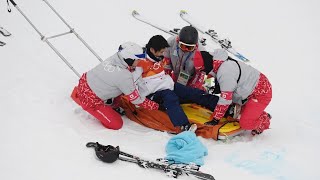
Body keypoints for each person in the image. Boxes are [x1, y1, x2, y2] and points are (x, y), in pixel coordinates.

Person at [135, 35, 220, 131]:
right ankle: (183, 125)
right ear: (152, 50)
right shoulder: (139, 63)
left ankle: (221, 105)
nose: (163, 54)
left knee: (192, 92)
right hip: (153, 94)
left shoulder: (158, 58)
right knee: (170, 97)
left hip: (168, 85)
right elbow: (132, 86)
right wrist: (143, 102)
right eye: (161, 52)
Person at [73, 42, 159, 130]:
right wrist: (153, 105)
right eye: (138, 59)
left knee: (122, 88)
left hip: (85, 81)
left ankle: (110, 104)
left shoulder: (116, 57)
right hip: (90, 100)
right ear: (130, 59)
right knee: (116, 124)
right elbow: (136, 100)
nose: (140, 61)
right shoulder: (124, 76)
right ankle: (95, 107)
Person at [204, 51, 272, 135]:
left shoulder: (225, 73)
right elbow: (213, 72)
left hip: (261, 92)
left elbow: (225, 99)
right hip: (251, 88)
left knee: (245, 123)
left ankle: (264, 120)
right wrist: (207, 85)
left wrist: (216, 118)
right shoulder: (224, 64)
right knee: (237, 112)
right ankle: (256, 113)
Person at [163, 25, 210, 90]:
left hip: (191, 78)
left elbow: (199, 74)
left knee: (190, 94)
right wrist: (166, 79)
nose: (186, 49)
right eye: (183, 46)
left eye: (190, 47)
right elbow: (166, 63)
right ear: (178, 41)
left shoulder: (201, 52)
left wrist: (192, 87)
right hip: (175, 74)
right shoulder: (170, 43)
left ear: (195, 45)